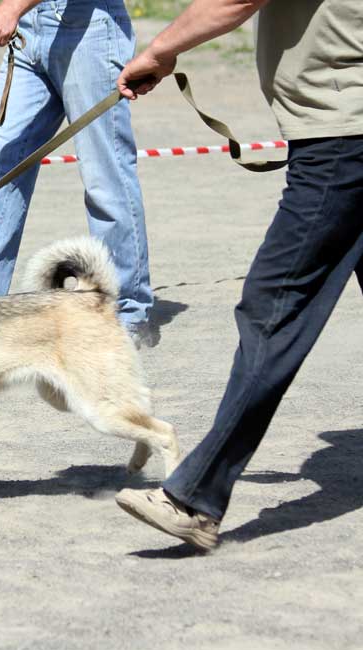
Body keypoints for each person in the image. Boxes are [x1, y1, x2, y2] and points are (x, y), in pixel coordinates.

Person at [114, 0, 363, 550]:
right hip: (344, 133)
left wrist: (160, 50)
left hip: (342, 142)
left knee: (273, 311)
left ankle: (194, 497)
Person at [0, 0, 155, 346]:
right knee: (0, 169)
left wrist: (9, 9)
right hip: (28, 30)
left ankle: (126, 312)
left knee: (105, 177)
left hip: (87, 28)